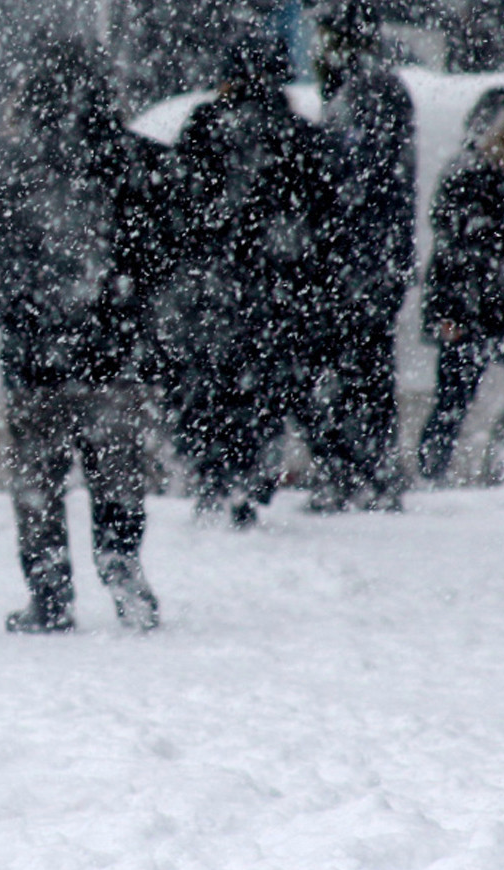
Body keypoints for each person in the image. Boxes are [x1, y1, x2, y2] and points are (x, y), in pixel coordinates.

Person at [0, 39, 160, 634]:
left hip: (36, 357)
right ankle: (122, 566)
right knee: (117, 479)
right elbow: (163, 262)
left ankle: (49, 595)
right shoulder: (133, 162)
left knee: (38, 487)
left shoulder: (13, 167)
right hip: (114, 357)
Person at [168, 33, 338, 528]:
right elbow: (325, 220)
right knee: (265, 392)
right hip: (279, 292)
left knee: (208, 388)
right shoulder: (299, 134)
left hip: (212, 289)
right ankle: (249, 483)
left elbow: (178, 204)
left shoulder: (204, 126)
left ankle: (210, 478)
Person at [416, 87, 504, 482]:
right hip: (465, 311)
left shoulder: (498, 178)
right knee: (455, 398)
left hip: (494, 310)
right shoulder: (467, 175)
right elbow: (457, 251)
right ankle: (437, 472)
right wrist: (451, 315)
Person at [313, 0, 417, 512]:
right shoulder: (369, 87)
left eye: (324, 35)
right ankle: (362, 472)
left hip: (361, 262)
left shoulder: (368, 91)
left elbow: (356, 176)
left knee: (360, 369)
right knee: (363, 369)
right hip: (368, 260)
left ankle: (361, 474)